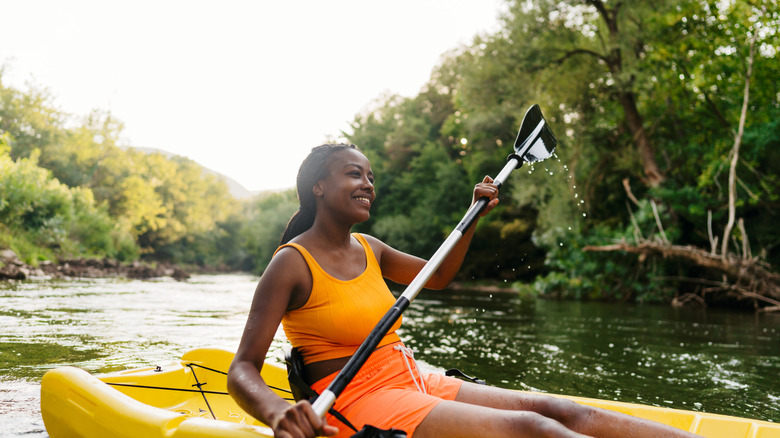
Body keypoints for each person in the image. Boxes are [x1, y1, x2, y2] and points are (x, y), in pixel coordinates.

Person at [227, 144, 701, 438]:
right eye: (355, 174)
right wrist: (279, 412)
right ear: (317, 187)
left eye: (371, 176)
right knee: (534, 429)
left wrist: (471, 215)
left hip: (412, 375)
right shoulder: (291, 262)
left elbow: (437, 275)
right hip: (353, 397)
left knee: (554, 408)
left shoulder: (370, 248)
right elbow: (243, 368)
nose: (368, 184)